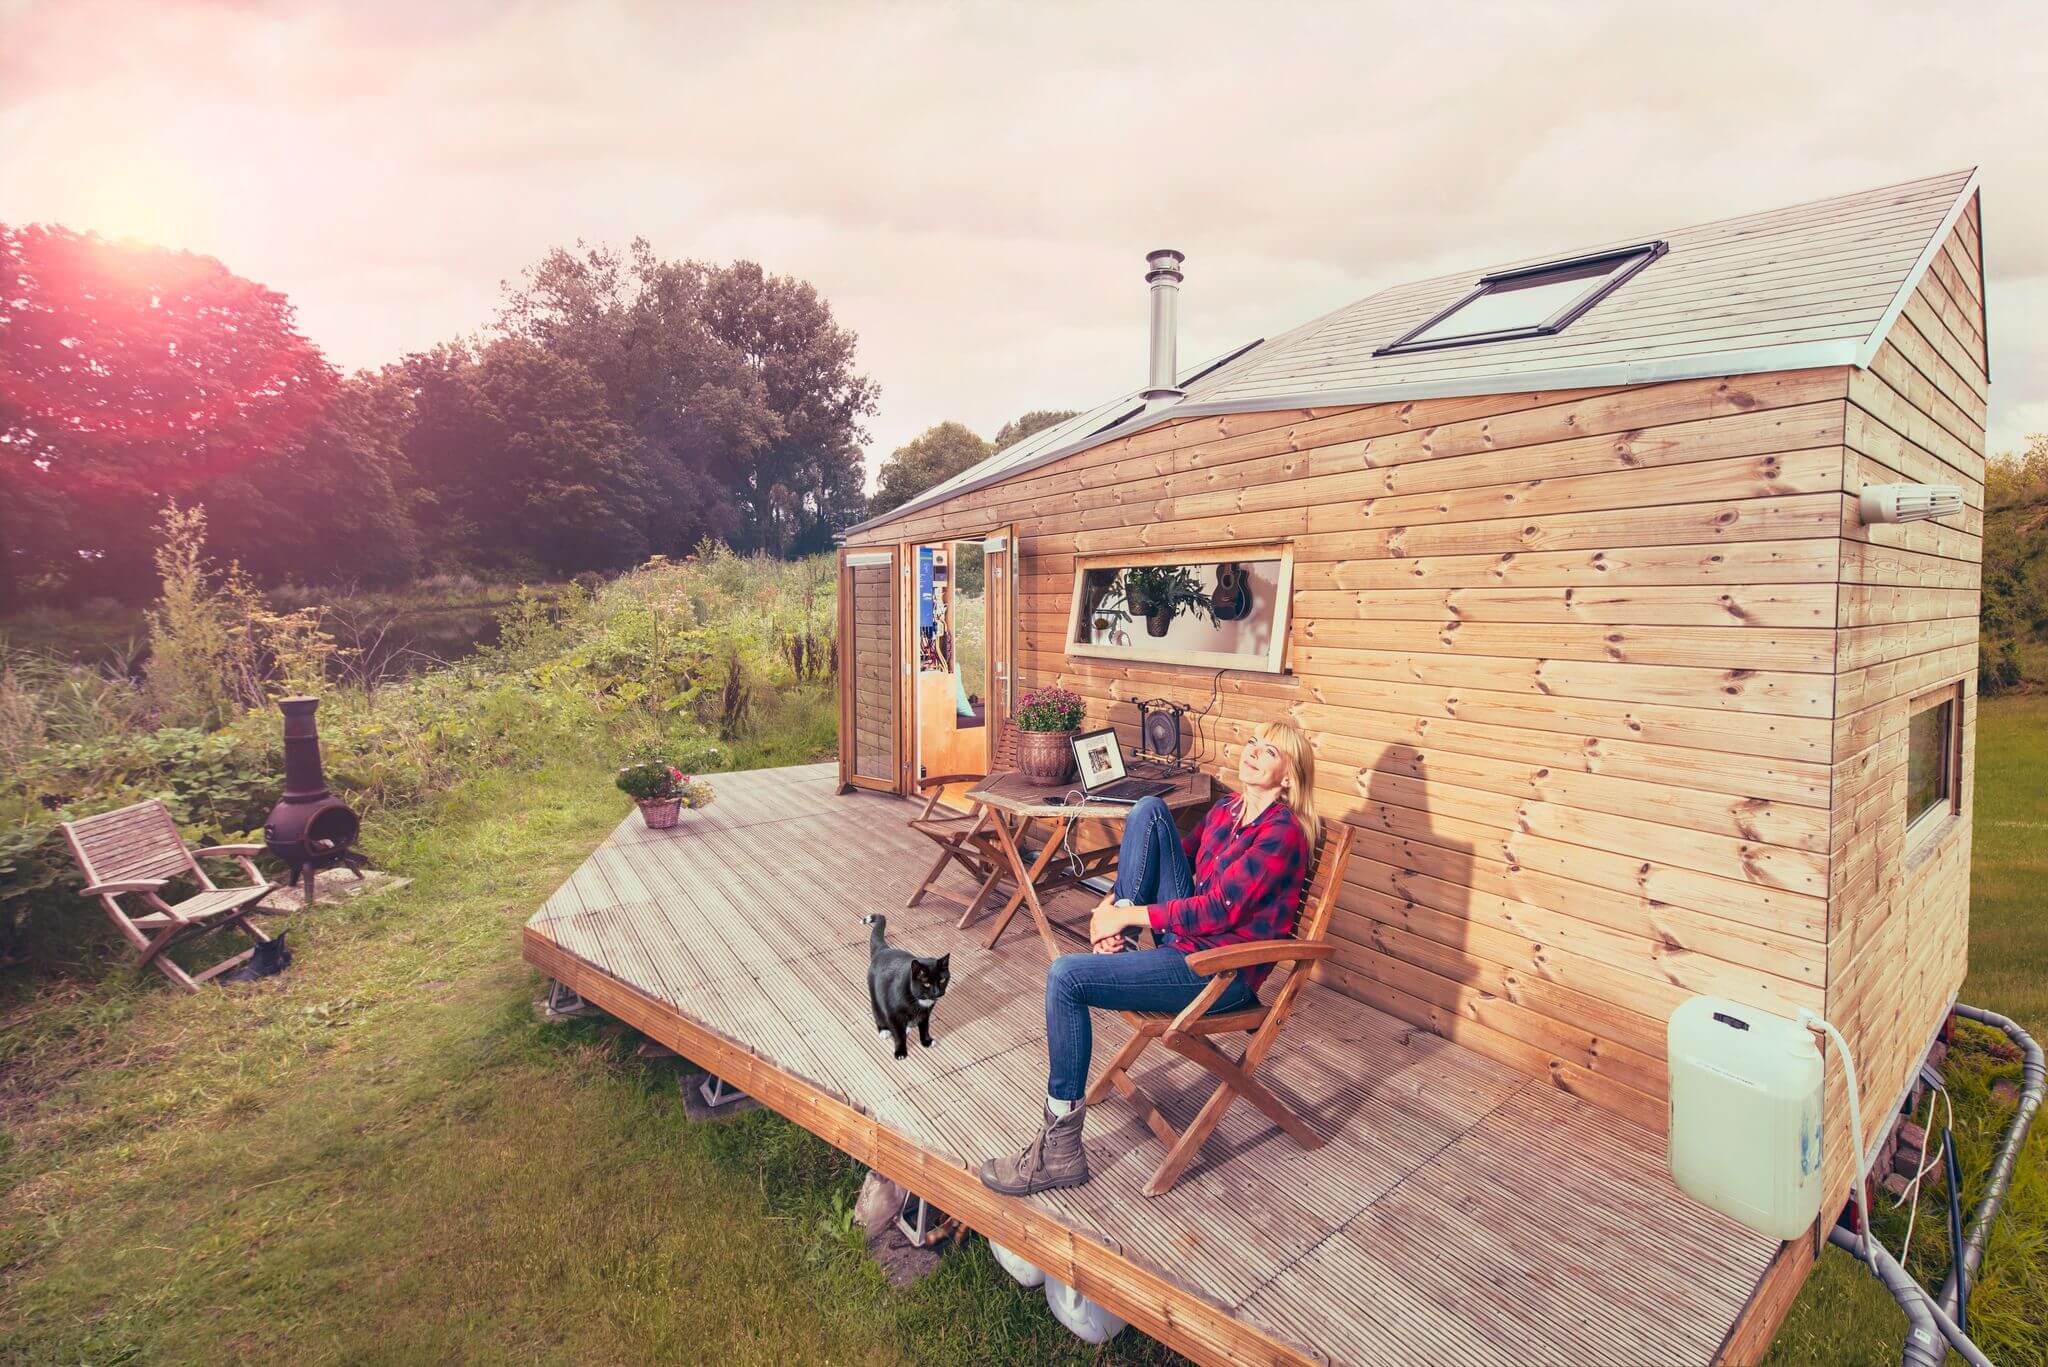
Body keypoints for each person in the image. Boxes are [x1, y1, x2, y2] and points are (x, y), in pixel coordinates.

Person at [979, 719, 1320, 1196]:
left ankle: (1059, 1152)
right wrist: (1111, 908)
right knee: (1149, 810)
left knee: (1066, 977)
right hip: (1185, 948)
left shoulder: (1283, 834)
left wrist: (1127, 917)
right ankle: (1114, 940)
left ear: (1289, 777)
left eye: (1269, 752)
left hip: (1220, 973)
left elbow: (1219, 908)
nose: (1253, 753)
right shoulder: (1226, 810)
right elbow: (1170, 855)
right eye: (1252, 743)